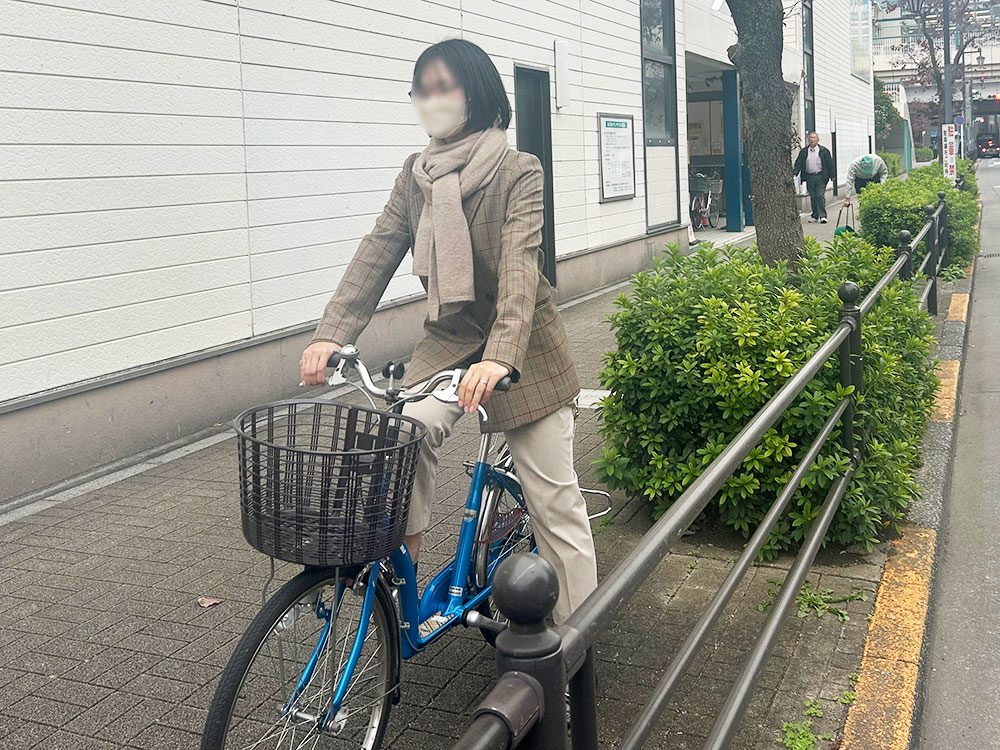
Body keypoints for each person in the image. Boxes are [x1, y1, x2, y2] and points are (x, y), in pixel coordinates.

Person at [299, 39, 598, 625]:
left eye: (444, 88)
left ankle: (571, 653)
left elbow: (520, 268)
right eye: (422, 90)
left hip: (525, 346)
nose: (431, 101)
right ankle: (402, 589)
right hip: (451, 338)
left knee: (555, 506)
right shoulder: (416, 177)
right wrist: (330, 334)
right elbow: (377, 251)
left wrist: (502, 357)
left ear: (477, 94)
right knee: (402, 436)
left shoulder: (519, 171)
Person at [793, 132, 836, 223]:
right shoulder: (804, 151)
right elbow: (799, 163)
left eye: (814, 138)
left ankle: (823, 216)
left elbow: (830, 164)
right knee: (813, 196)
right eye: (810, 138)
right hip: (809, 176)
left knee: (820, 195)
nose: (812, 140)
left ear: (818, 140)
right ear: (808, 140)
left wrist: (833, 175)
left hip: (821, 176)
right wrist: (795, 173)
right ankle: (815, 215)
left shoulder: (824, 151)